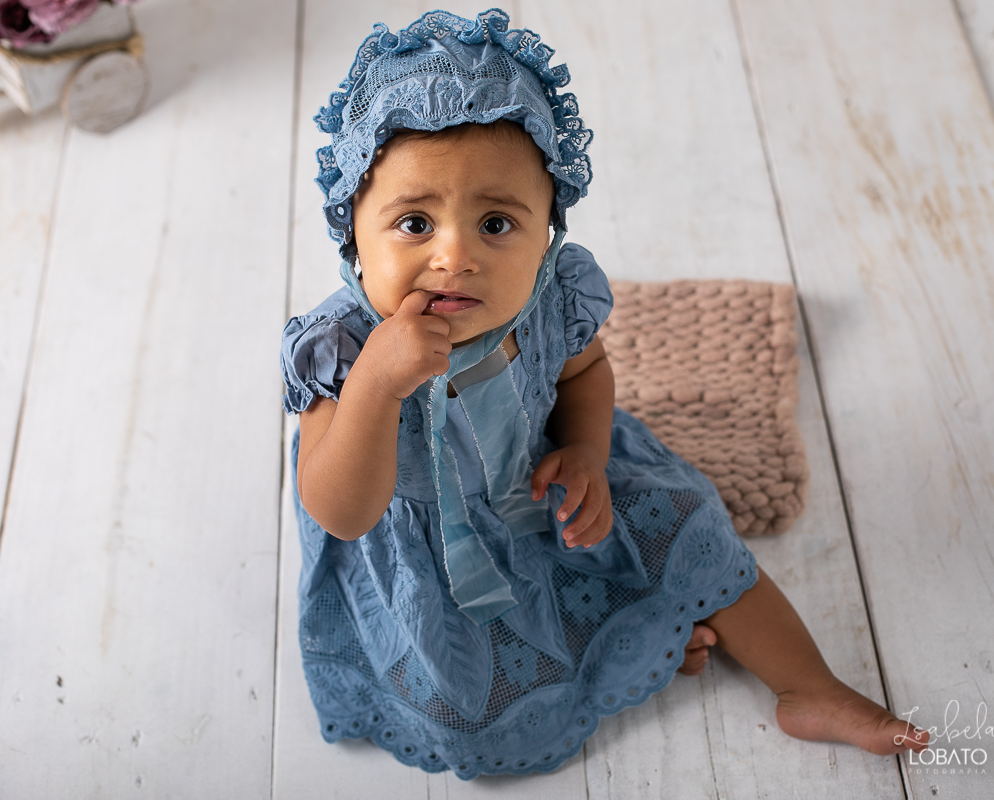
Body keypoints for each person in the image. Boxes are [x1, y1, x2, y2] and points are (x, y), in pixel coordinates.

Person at [281, 8, 928, 779]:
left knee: (689, 524)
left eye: (496, 223)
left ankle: (810, 687)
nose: (455, 256)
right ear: (352, 231)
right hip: (425, 550)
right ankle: (636, 640)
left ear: (548, 231)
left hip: (545, 481)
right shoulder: (342, 350)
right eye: (414, 222)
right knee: (469, 695)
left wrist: (586, 451)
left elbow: (584, 375)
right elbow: (341, 511)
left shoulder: (551, 299)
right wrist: (377, 388)